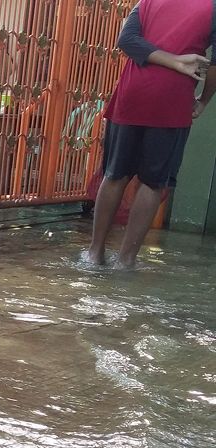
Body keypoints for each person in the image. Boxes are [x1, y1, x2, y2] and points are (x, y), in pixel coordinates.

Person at [87, 0, 216, 268]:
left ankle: (94, 254)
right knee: (154, 182)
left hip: (131, 95)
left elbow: (127, 40)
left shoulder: (148, 1)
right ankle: (126, 260)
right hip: (172, 99)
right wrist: (203, 98)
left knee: (114, 174)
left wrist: (171, 59)